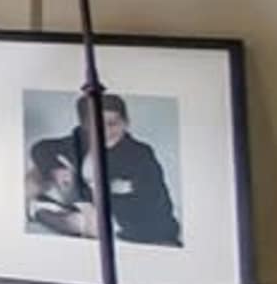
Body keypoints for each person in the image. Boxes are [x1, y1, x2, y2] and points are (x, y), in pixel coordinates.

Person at [32, 91, 181, 246]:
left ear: (126, 122)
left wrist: (92, 197)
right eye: (96, 125)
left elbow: (151, 201)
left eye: (112, 124)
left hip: (137, 221)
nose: (105, 132)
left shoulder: (140, 154)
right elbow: (42, 148)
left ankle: (40, 211)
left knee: (89, 224)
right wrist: (56, 168)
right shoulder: (80, 141)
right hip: (87, 203)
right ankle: (38, 207)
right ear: (84, 126)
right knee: (37, 175)